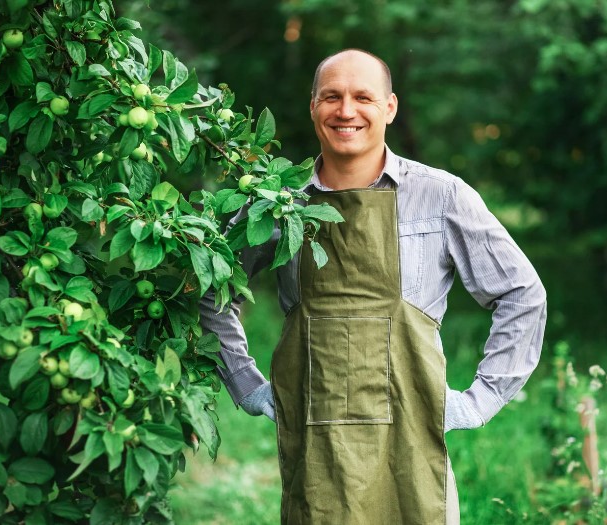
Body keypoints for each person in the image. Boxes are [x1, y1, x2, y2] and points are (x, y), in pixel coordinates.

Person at [200, 48, 547, 525]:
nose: (346, 111)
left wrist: (481, 400)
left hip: (413, 450)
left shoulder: (440, 196)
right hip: (316, 455)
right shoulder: (275, 204)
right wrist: (247, 385)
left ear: (389, 107)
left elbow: (522, 294)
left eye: (363, 97)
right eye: (331, 97)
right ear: (313, 106)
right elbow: (211, 289)